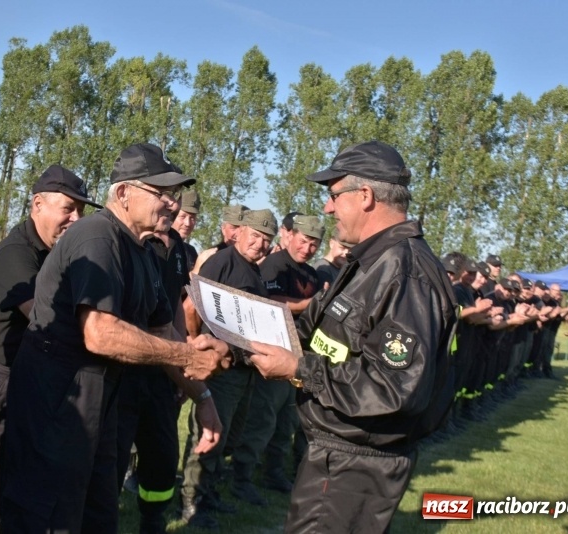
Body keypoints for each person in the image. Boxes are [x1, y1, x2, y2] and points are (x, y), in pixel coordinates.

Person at [0, 143, 228, 533]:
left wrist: (203, 398)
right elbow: (100, 334)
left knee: (98, 513)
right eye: (162, 193)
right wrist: (189, 357)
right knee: (49, 516)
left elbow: (161, 329)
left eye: (175, 194)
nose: (173, 204)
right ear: (124, 193)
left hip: (104, 401)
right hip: (59, 401)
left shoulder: (144, 250)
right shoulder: (97, 237)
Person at [249, 141, 457, 533]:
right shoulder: (371, 260)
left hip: (356, 465)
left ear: (364, 196)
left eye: (333, 196)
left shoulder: (405, 271)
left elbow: (394, 389)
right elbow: (315, 331)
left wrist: (299, 369)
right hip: (338, 456)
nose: (328, 209)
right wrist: (237, 339)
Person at [0, 164, 100, 533]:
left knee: (24, 485)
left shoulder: (62, 252)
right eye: (68, 208)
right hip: (0, 380)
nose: (76, 218)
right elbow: (45, 316)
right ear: (38, 204)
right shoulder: (15, 252)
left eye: (81, 210)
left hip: (37, 379)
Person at [116, 206, 222, 534]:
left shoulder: (178, 248)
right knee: (110, 458)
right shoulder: (123, 239)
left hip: (163, 373)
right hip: (123, 369)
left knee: (162, 457)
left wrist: (182, 352)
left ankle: (153, 520)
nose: (175, 212)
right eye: (167, 200)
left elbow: (173, 306)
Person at [181, 208, 277, 529]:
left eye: (267, 240)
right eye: (256, 236)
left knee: (227, 440)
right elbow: (191, 306)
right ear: (239, 232)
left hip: (243, 368)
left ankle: (208, 493)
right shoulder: (222, 262)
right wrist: (196, 344)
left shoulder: (254, 270)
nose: (260, 244)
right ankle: (191, 503)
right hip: (221, 370)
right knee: (209, 436)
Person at [231, 214, 323, 505]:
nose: (308, 248)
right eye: (304, 241)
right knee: (262, 419)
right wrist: (310, 304)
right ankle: (240, 477)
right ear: (290, 235)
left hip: (298, 357)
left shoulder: (311, 274)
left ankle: (273, 472)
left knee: (287, 422)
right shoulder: (275, 264)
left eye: (314, 244)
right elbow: (270, 303)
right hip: (273, 354)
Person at [172, 189, 201, 270]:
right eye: (183, 216)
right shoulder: (159, 247)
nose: (187, 223)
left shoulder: (191, 252)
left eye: (192, 218)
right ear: (172, 216)